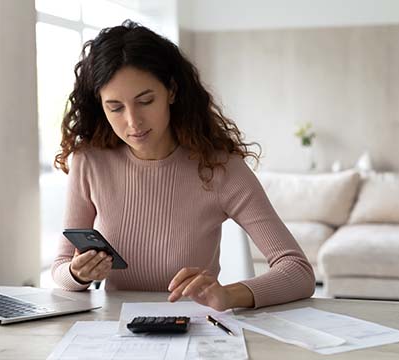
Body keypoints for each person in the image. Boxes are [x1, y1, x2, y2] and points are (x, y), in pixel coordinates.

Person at [51, 20, 315, 311]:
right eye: (115, 107)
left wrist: (230, 295)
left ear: (172, 91)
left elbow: (298, 271)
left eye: (146, 101)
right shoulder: (90, 162)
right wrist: (77, 273)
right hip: (115, 331)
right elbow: (61, 268)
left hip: (193, 331)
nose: (133, 121)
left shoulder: (220, 168)